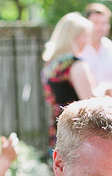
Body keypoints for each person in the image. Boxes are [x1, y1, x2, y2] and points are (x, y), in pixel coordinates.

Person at [41, 12, 98, 148]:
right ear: (75, 37)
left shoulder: (51, 65)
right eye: (85, 36)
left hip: (58, 127)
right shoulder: (76, 65)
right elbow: (91, 102)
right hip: (78, 131)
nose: (88, 41)